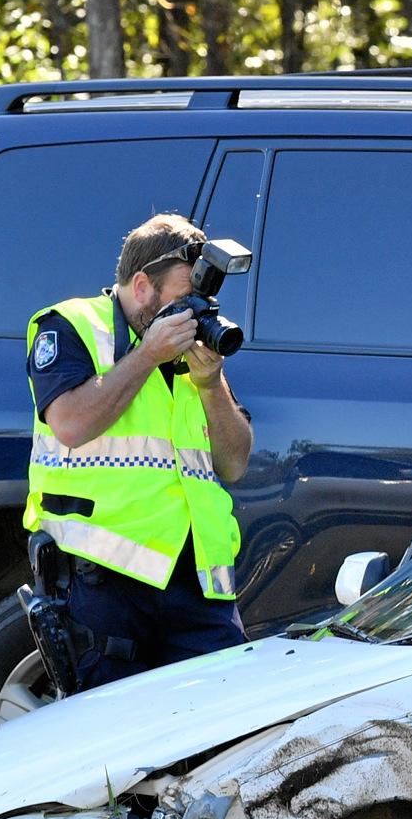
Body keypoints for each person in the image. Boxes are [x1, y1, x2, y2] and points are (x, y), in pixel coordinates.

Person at [25, 214, 253, 689]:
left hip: (197, 584)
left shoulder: (189, 354)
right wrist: (148, 355)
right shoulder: (70, 326)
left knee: (222, 739)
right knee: (114, 751)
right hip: (104, 582)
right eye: (183, 299)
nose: (194, 315)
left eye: (202, 303)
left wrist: (211, 383)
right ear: (144, 286)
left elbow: (233, 463)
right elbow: (70, 423)